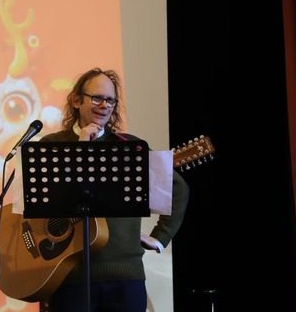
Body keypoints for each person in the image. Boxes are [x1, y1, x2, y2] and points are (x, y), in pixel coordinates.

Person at [38, 67, 190, 312]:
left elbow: (178, 188)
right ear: (77, 100)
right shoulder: (52, 145)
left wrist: (160, 238)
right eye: (97, 98)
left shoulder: (130, 147)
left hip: (125, 278)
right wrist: (80, 149)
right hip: (67, 277)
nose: (104, 106)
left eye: (110, 100)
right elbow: (43, 205)